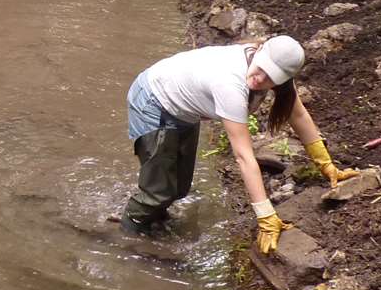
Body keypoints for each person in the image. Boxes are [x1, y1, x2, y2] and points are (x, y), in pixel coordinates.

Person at [119, 35, 359, 254]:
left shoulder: (278, 76)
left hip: (182, 109)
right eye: (261, 69)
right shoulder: (229, 83)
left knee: (178, 188)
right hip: (153, 101)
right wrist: (266, 217)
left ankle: (153, 221)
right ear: (259, 51)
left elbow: (298, 116)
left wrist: (327, 166)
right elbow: (244, 157)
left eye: (271, 79)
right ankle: (127, 241)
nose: (260, 80)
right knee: (158, 191)